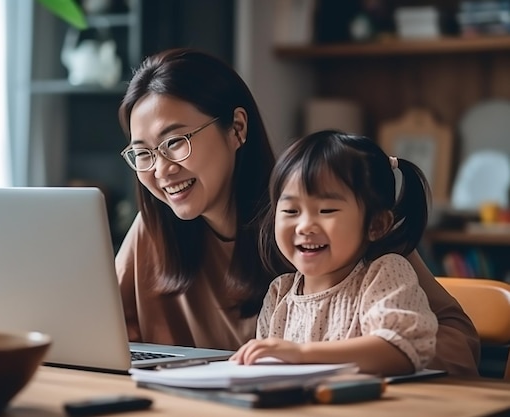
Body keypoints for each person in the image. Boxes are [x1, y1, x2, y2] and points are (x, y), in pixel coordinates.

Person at [115, 47, 480, 376]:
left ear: (237, 128)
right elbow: (99, 337)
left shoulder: (322, 218)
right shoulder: (152, 229)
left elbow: (454, 340)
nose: (161, 170)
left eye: (175, 142)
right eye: (143, 153)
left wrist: (334, 359)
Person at [231, 130, 437, 375]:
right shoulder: (280, 294)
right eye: (291, 211)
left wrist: (301, 355)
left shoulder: (384, 274)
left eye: (326, 210)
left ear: (376, 224)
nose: (305, 225)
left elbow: (401, 350)